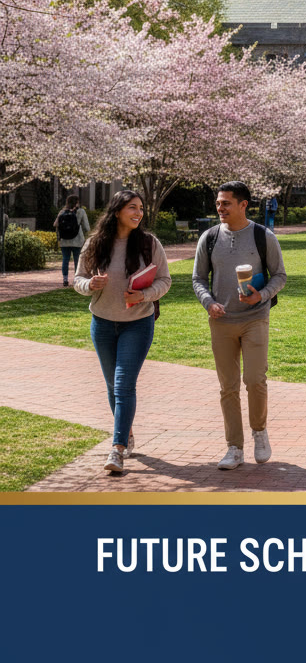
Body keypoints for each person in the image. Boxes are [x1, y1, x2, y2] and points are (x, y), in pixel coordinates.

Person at [74, 190, 171, 474]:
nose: (139, 213)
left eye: (141, 208)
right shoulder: (95, 244)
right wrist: (89, 285)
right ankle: (125, 431)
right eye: (133, 207)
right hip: (102, 323)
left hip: (138, 323)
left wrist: (145, 296)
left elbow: (165, 281)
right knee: (111, 386)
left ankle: (116, 448)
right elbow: (78, 278)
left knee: (123, 384)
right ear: (117, 211)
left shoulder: (149, 243)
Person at [192, 181, 287, 470]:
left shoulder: (263, 236)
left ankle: (259, 432)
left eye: (226, 203)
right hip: (221, 321)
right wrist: (209, 302)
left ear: (243, 204)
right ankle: (234, 447)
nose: (220, 208)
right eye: (218, 203)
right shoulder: (208, 238)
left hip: (255, 318)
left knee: (255, 380)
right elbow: (198, 279)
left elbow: (280, 276)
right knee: (228, 387)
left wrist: (263, 295)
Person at [55, 194, 91, 288]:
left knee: (65, 259)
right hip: (77, 239)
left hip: (64, 240)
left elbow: (55, 224)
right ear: (77, 202)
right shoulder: (81, 211)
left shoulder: (63, 211)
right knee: (77, 260)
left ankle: (65, 279)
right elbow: (86, 226)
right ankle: (76, 280)